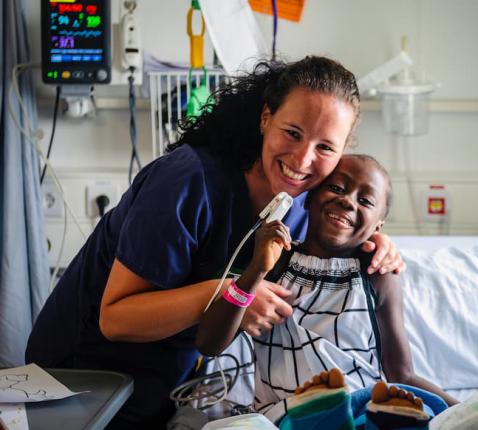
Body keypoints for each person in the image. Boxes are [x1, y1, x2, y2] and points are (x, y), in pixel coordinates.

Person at [26, 56, 404, 429]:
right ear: (265, 118)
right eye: (293, 133)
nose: (303, 158)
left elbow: (339, 233)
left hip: (165, 385)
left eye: (325, 148)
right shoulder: (186, 181)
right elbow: (115, 319)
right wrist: (232, 293)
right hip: (79, 382)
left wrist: (373, 240)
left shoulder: (303, 205)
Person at [196, 154, 458, 424]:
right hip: (284, 413)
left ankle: (354, 415)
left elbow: (401, 374)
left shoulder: (376, 275)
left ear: (378, 225)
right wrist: (255, 272)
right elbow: (209, 344)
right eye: (337, 188)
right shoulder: (275, 260)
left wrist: (462, 410)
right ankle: (327, 412)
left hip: (361, 403)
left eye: (365, 201)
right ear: (309, 199)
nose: (347, 200)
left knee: (421, 414)